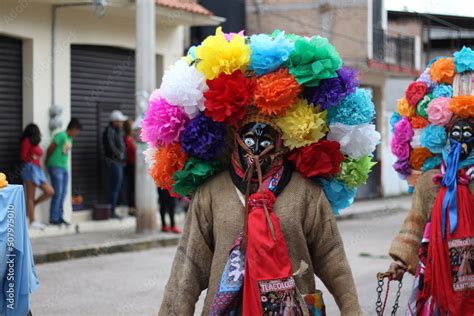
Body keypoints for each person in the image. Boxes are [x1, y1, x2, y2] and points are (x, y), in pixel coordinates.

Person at [141, 28, 381, 314]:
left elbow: (333, 258)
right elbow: (188, 268)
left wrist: (352, 309)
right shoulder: (210, 194)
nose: (256, 146)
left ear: (281, 144)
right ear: (234, 141)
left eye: (265, 138)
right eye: (249, 138)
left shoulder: (306, 193)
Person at [387, 55, 473, 314]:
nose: (461, 140)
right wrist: (401, 260)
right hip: (437, 276)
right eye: (455, 133)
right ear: (444, 136)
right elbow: (415, 221)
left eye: (468, 133)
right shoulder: (429, 181)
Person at [45, 118, 82, 225]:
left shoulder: (70, 139)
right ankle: (53, 218)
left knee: (64, 193)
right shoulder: (61, 135)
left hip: (64, 167)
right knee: (58, 192)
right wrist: (47, 161)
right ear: (74, 129)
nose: (77, 134)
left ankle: (60, 216)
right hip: (55, 166)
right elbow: (50, 148)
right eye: (77, 131)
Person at [20, 123, 54, 230]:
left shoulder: (35, 143)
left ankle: (33, 205)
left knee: (49, 191)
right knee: (30, 196)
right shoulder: (26, 141)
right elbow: (23, 156)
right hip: (30, 170)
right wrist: (31, 157)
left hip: (38, 170)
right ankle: (32, 221)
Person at [102, 110, 127, 218]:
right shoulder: (109, 131)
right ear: (115, 121)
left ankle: (113, 209)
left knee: (117, 187)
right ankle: (111, 211)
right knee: (114, 187)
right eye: (119, 121)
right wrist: (119, 155)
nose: (121, 123)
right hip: (113, 162)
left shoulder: (118, 131)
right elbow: (111, 147)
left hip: (118, 163)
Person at [123, 119, 137, 216]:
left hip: (132, 165)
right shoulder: (128, 139)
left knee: (133, 187)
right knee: (131, 187)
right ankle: (131, 207)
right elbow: (132, 151)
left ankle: (132, 206)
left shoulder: (130, 139)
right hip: (131, 165)